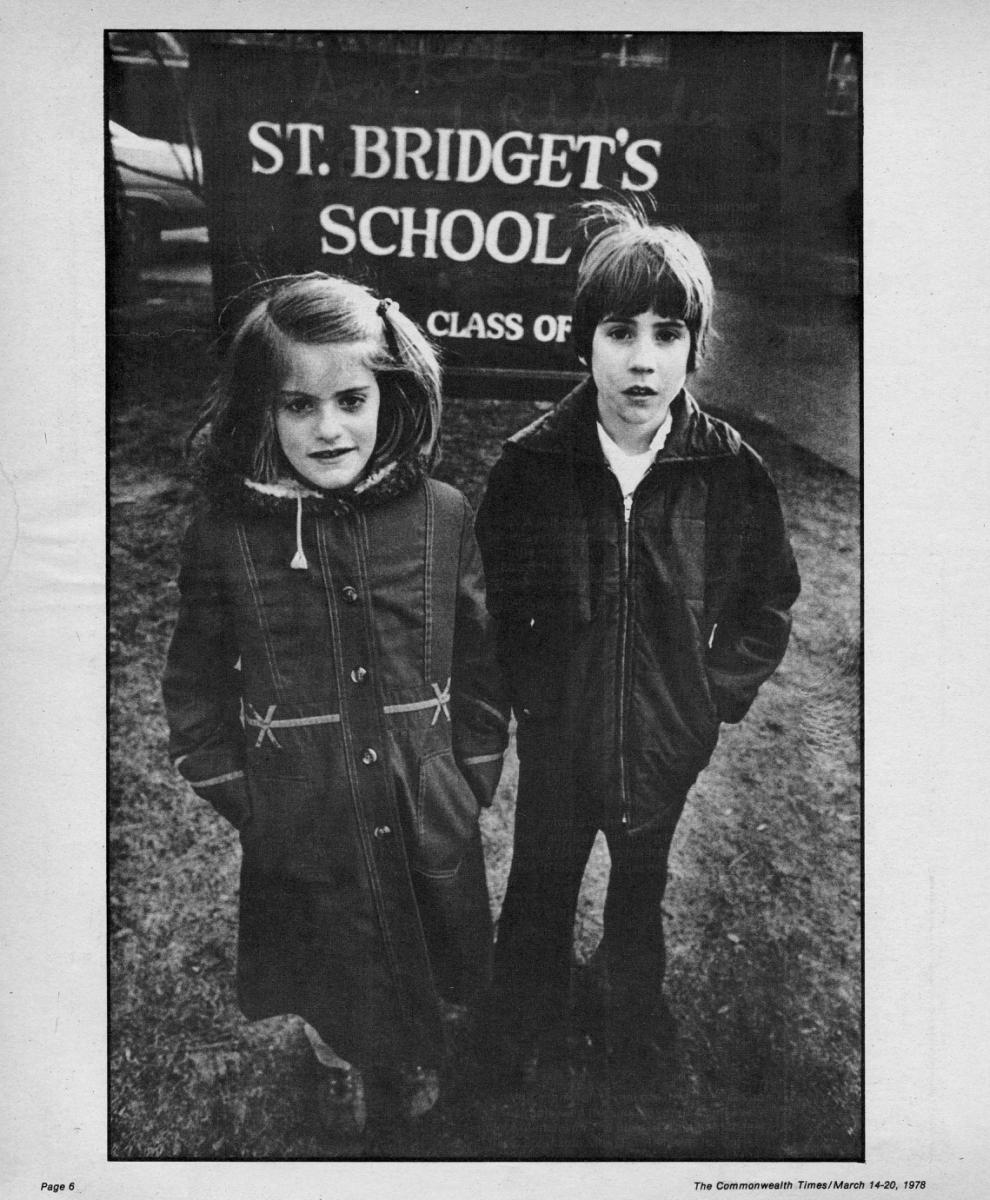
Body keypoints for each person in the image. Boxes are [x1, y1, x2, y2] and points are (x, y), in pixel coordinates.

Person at [161, 273, 508, 1138]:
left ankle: (416, 1051)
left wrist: (469, 773)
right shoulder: (226, 535)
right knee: (324, 947)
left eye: (351, 398)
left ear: (389, 395)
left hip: (418, 794)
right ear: (260, 412)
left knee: (424, 931)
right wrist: (239, 792)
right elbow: (196, 676)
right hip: (302, 809)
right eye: (297, 404)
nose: (327, 428)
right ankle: (335, 1057)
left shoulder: (442, 516)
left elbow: (481, 658)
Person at [475, 202, 801, 1083]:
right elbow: (494, 600)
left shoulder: (729, 471)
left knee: (639, 891)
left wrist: (711, 696)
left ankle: (633, 1022)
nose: (643, 358)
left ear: (696, 345)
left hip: (664, 740)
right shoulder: (532, 466)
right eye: (620, 331)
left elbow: (767, 598)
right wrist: (534, 697)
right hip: (558, 742)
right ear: (584, 341)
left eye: (669, 332)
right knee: (540, 884)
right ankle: (520, 1019)